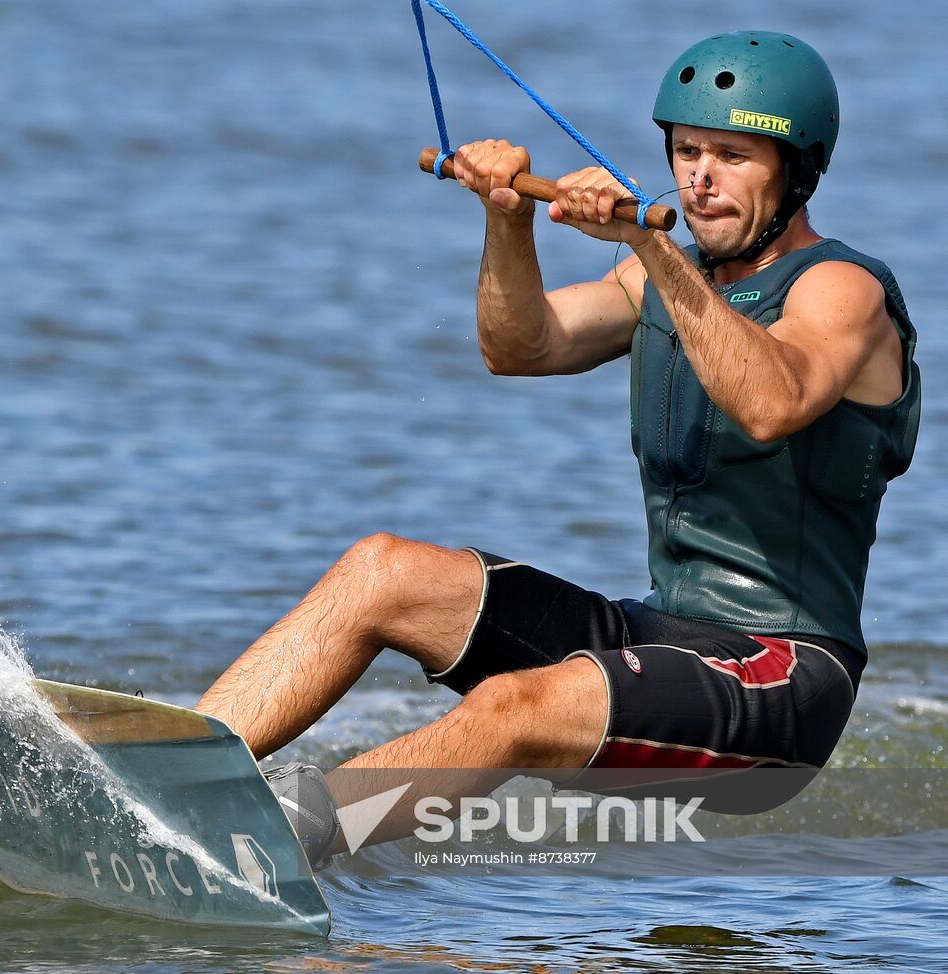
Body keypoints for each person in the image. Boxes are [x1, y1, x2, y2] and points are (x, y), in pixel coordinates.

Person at [196, 31, 920, 867]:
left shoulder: (843, 288)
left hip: (782, 683)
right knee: (382, 570)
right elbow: (524, 345)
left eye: (732, 155)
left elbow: (770, 402)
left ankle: (274, 847)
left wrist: (647, 245)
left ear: (799, 170)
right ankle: (178, 773)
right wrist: (508, 221)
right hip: (660, 639)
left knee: (516, 708)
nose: (700, 180)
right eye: (687, 152)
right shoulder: (662, 277)